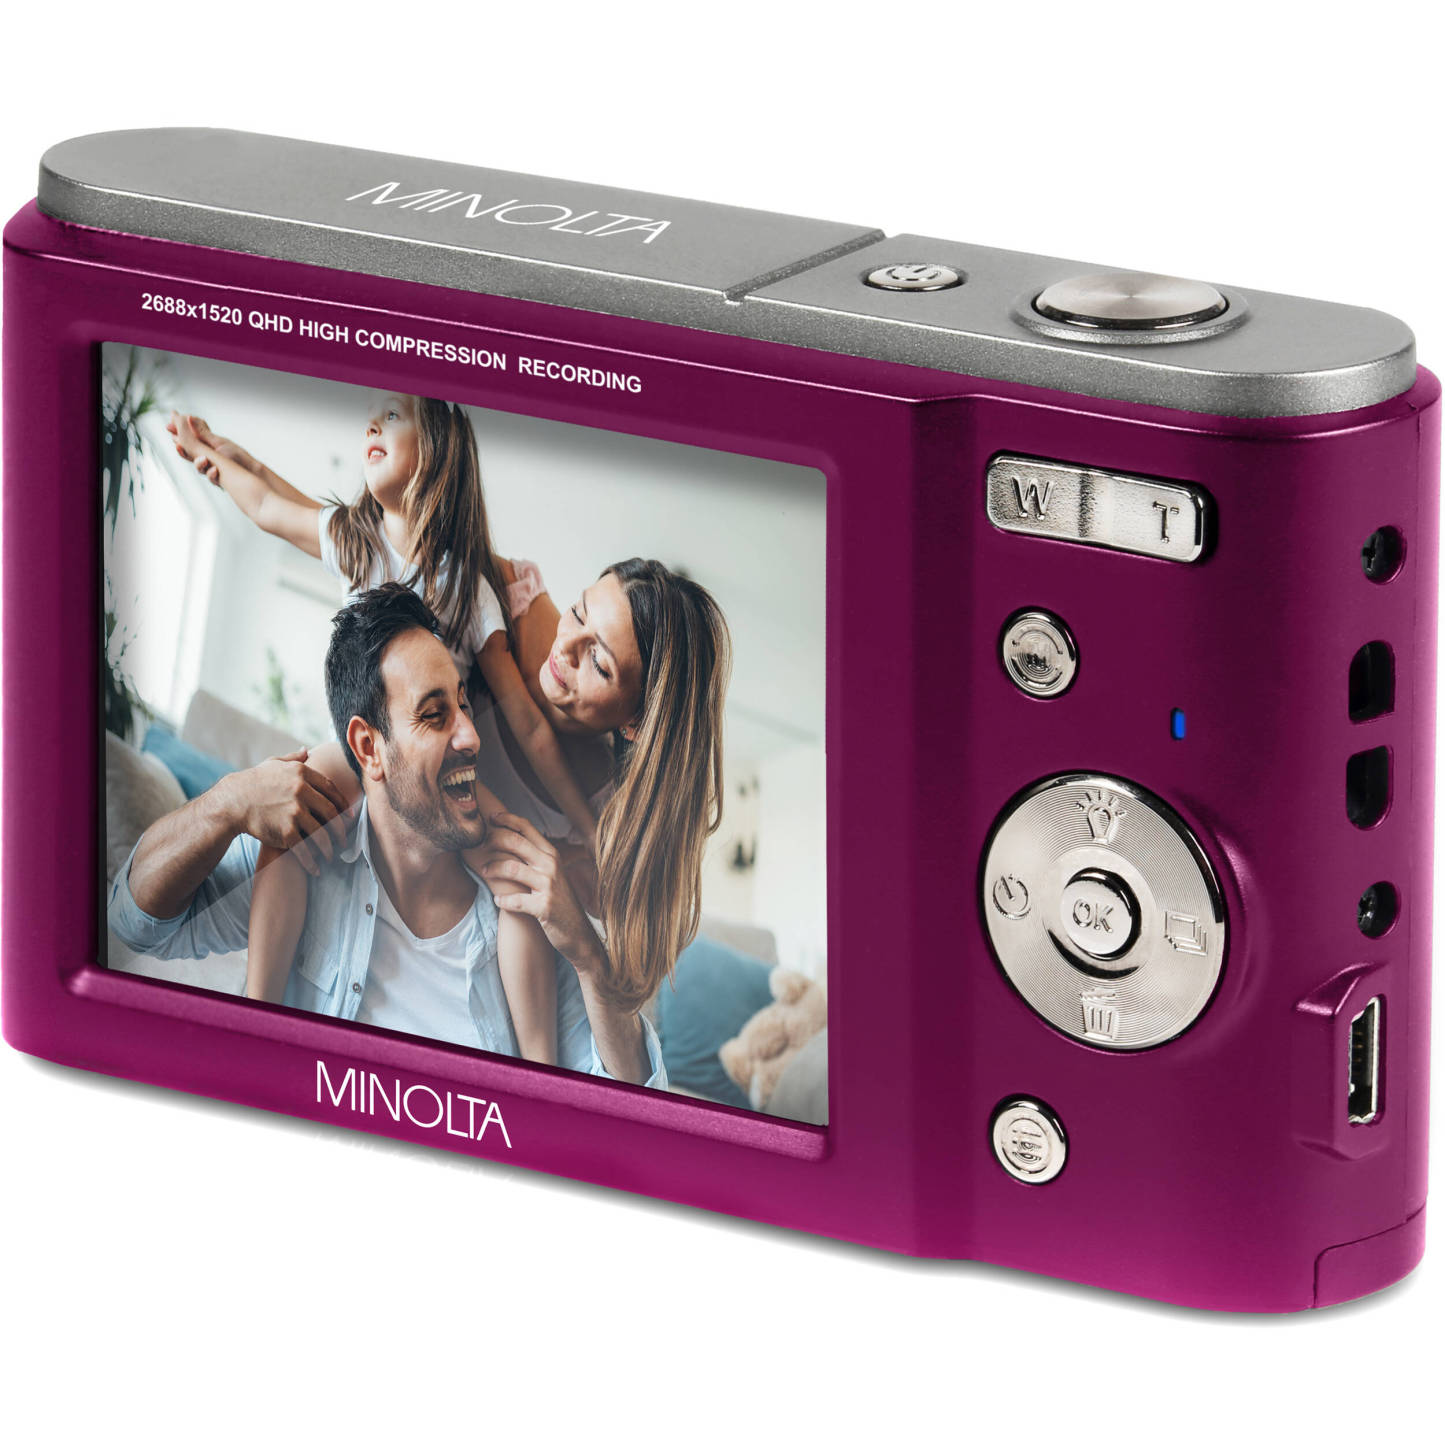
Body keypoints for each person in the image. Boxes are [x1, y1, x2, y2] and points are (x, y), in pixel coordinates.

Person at [168, 397, 598, 1064]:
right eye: (375, 414)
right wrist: (215, 457)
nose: (372, 422)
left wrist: (586, 824)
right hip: (358, 756)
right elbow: (268, 503)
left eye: (396, 418)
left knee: (518, 873)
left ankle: (538, 1064)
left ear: (438, 455)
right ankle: (259, 1007)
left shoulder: (467, 586)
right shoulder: (355, 540)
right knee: (292, 814)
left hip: (439, 776)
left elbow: (523, 716)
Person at [107, 584, 661, 1086]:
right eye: (434, 714)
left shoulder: (530, 906)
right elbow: (135, 922)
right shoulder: (312, 852)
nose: (471, 735)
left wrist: (591, 958)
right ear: (369, 748)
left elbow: (631, 1099)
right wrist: (229, 802)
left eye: (464, 705)